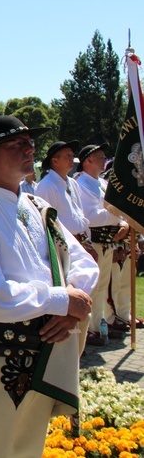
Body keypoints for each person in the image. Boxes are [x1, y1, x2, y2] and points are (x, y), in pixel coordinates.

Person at [0, 115, 98, 457]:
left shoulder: (36, 205)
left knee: (28, 449)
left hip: (47, 347)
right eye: (17, 144)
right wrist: (61, 301)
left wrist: (70, 308)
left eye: (30, 142)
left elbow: (83, 262)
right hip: (0, 357)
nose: (30, 149)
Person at [76, 143, 131, 345]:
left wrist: (121, 220)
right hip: (94, 242)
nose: (103, 159)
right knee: (94, 286)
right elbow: (92, 217)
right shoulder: (81, 184)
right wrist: (116, 216)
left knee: (104, 286)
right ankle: (91, 328)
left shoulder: (101, 183)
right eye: (99, 157)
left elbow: (116, 209)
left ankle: (102, 325)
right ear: (87, 161)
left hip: (108, 241)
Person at [34, 140, 92, 250]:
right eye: (67, 156)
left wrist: (86, 239)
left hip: (82, 242)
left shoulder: (73, 183)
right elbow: (45, 222)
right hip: (64, 246)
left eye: (72, 155)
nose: (71, 158)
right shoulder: (47, 185)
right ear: (55, 160)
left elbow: (80, 213)